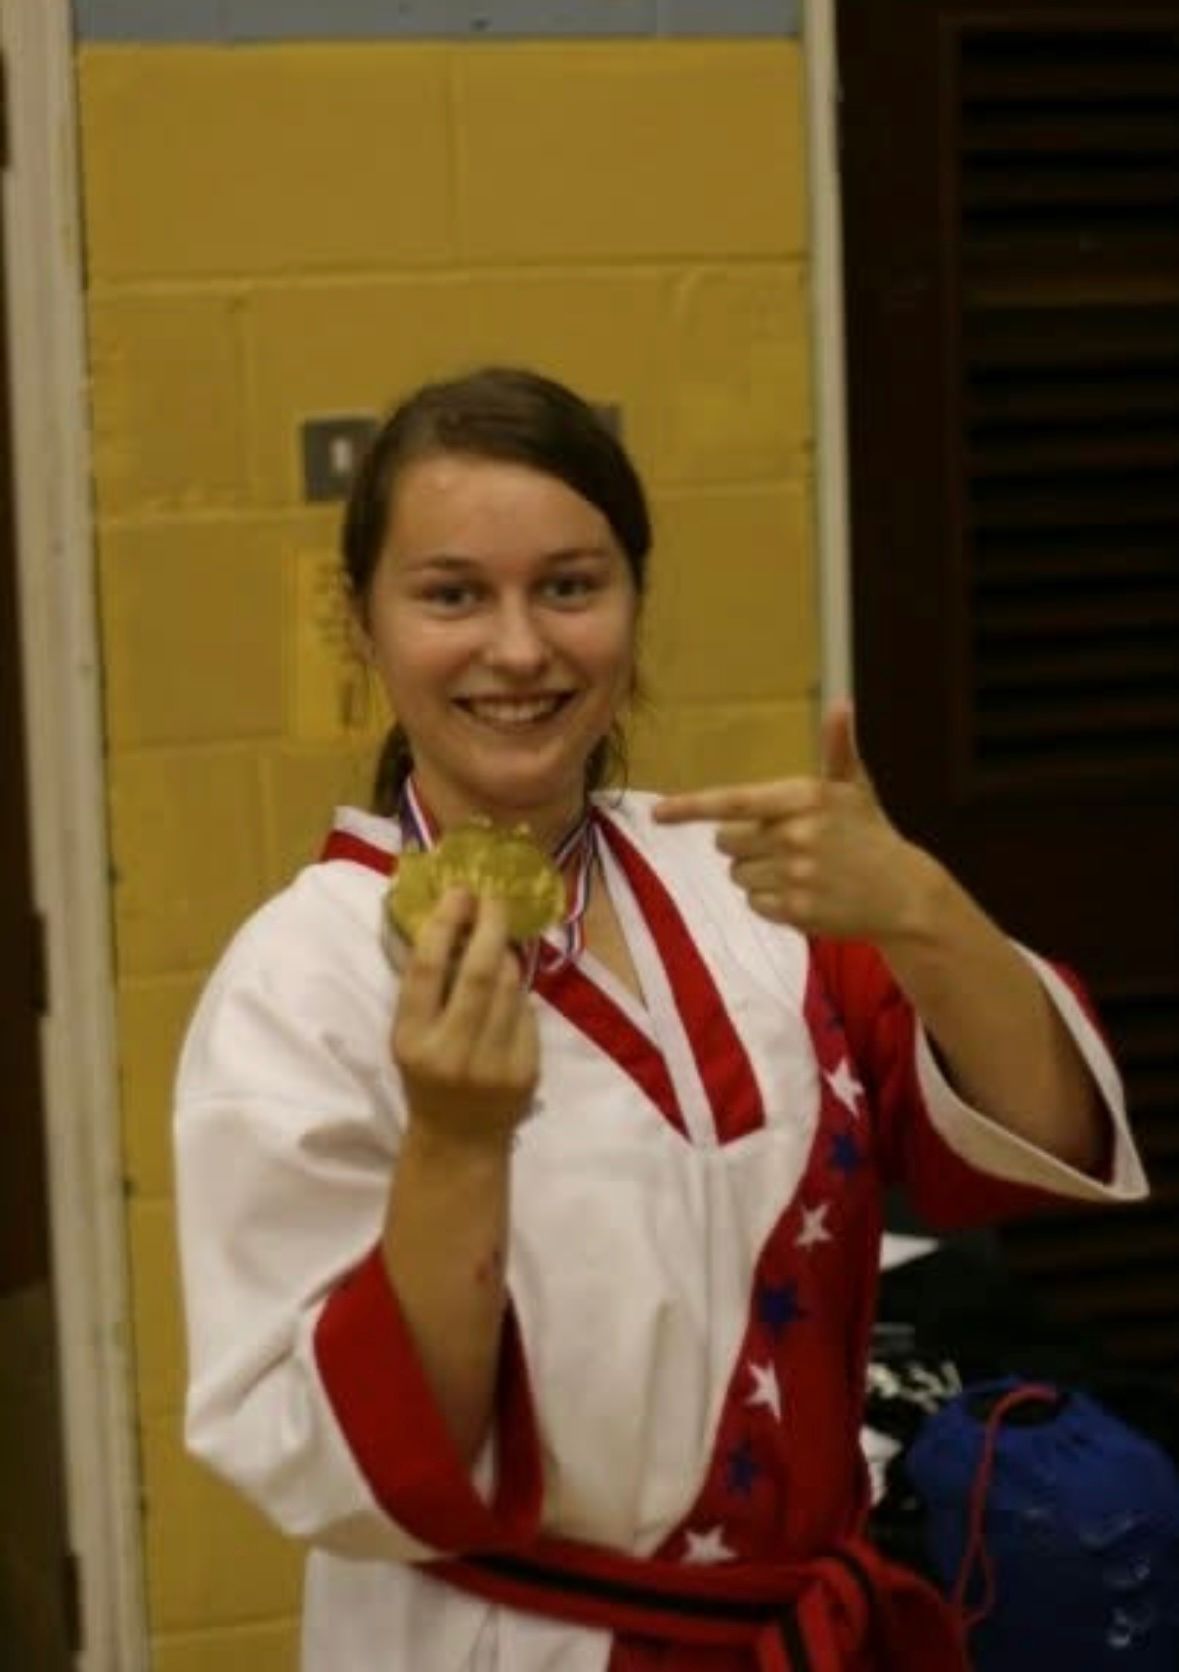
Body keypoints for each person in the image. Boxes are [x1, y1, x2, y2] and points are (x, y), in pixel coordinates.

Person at [174, 366, 1147, 1671]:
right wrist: (457, 1144)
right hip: (510, 1644)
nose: (519, 649)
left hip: (810, 1629)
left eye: (571, 586)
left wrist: (924, 910)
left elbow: (1042, 1137)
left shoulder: (745, 882)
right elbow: (340, 1460)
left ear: (633, 602)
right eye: (453, 593)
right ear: (364, 624)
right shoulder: (300, 981)